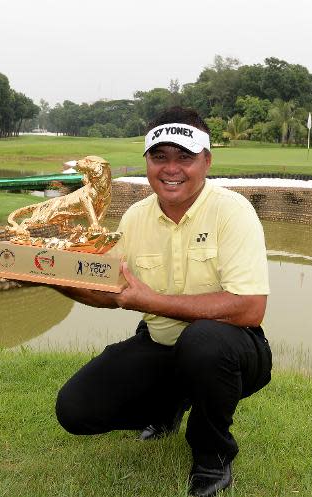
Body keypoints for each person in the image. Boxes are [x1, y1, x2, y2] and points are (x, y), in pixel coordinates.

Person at [52, 107, 272, 497]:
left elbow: (250, 307)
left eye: (184, 157)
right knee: (75, 408)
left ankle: (211, 457)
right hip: (161, 343)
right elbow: (112, 291)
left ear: (206, 160)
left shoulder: (232, 211)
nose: (171, 169)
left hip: (234, 350)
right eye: (159, 157)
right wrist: (52, 279)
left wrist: (150, 299)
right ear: (148, 162)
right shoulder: (136, 216)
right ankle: (168, 406)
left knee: (204, 343)